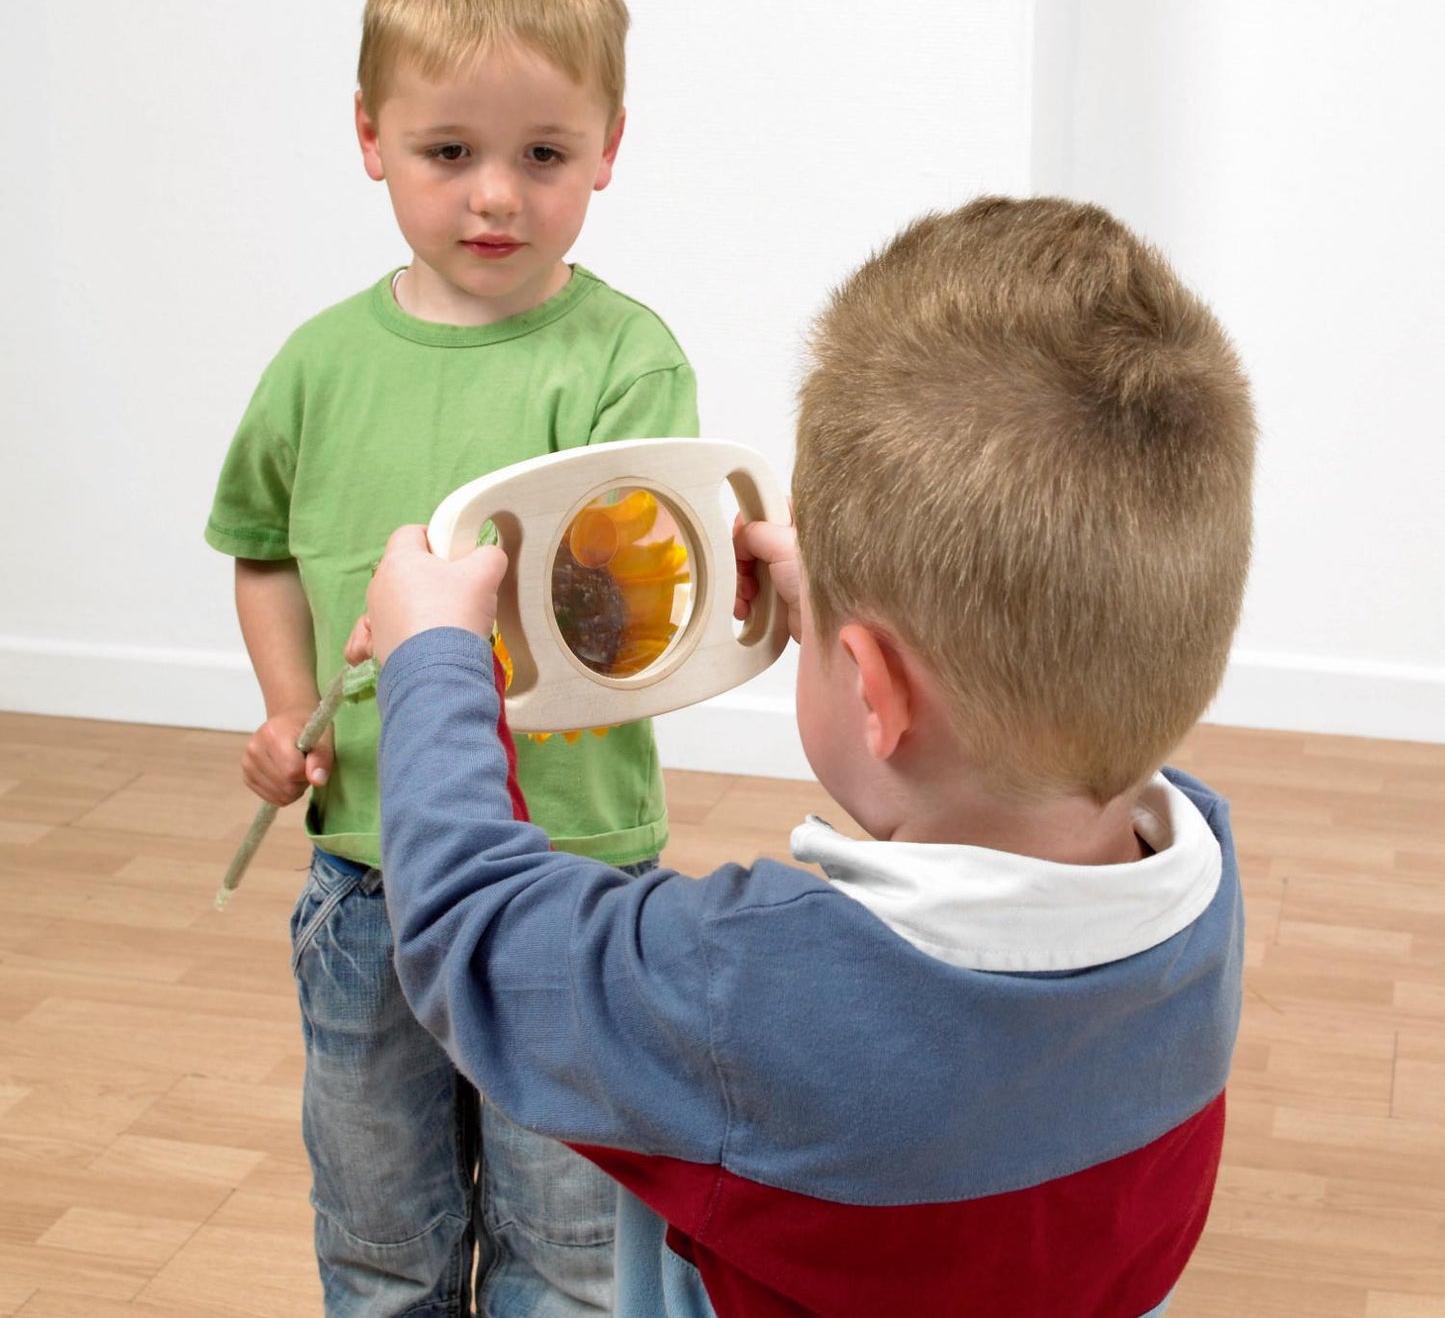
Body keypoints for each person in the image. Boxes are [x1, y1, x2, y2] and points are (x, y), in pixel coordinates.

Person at [353, 196, 1255, 1317]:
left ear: (871, 690)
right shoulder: (1201, 889)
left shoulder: (752, 989)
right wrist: (848, 607)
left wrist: (432, 658)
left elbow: (472, 935)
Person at [204, 0, 698, 1317]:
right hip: (367, 880)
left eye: (543, 156)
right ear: (371, 137)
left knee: (573, 1246)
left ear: (608, 148)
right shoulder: (316, 367)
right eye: (448, 153)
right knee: (379, 1240)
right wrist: (287, 704)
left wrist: (443, 639)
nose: (496, 197)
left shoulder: (625, 361)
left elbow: (632, 612)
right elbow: (256, 547)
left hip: (569, 876)